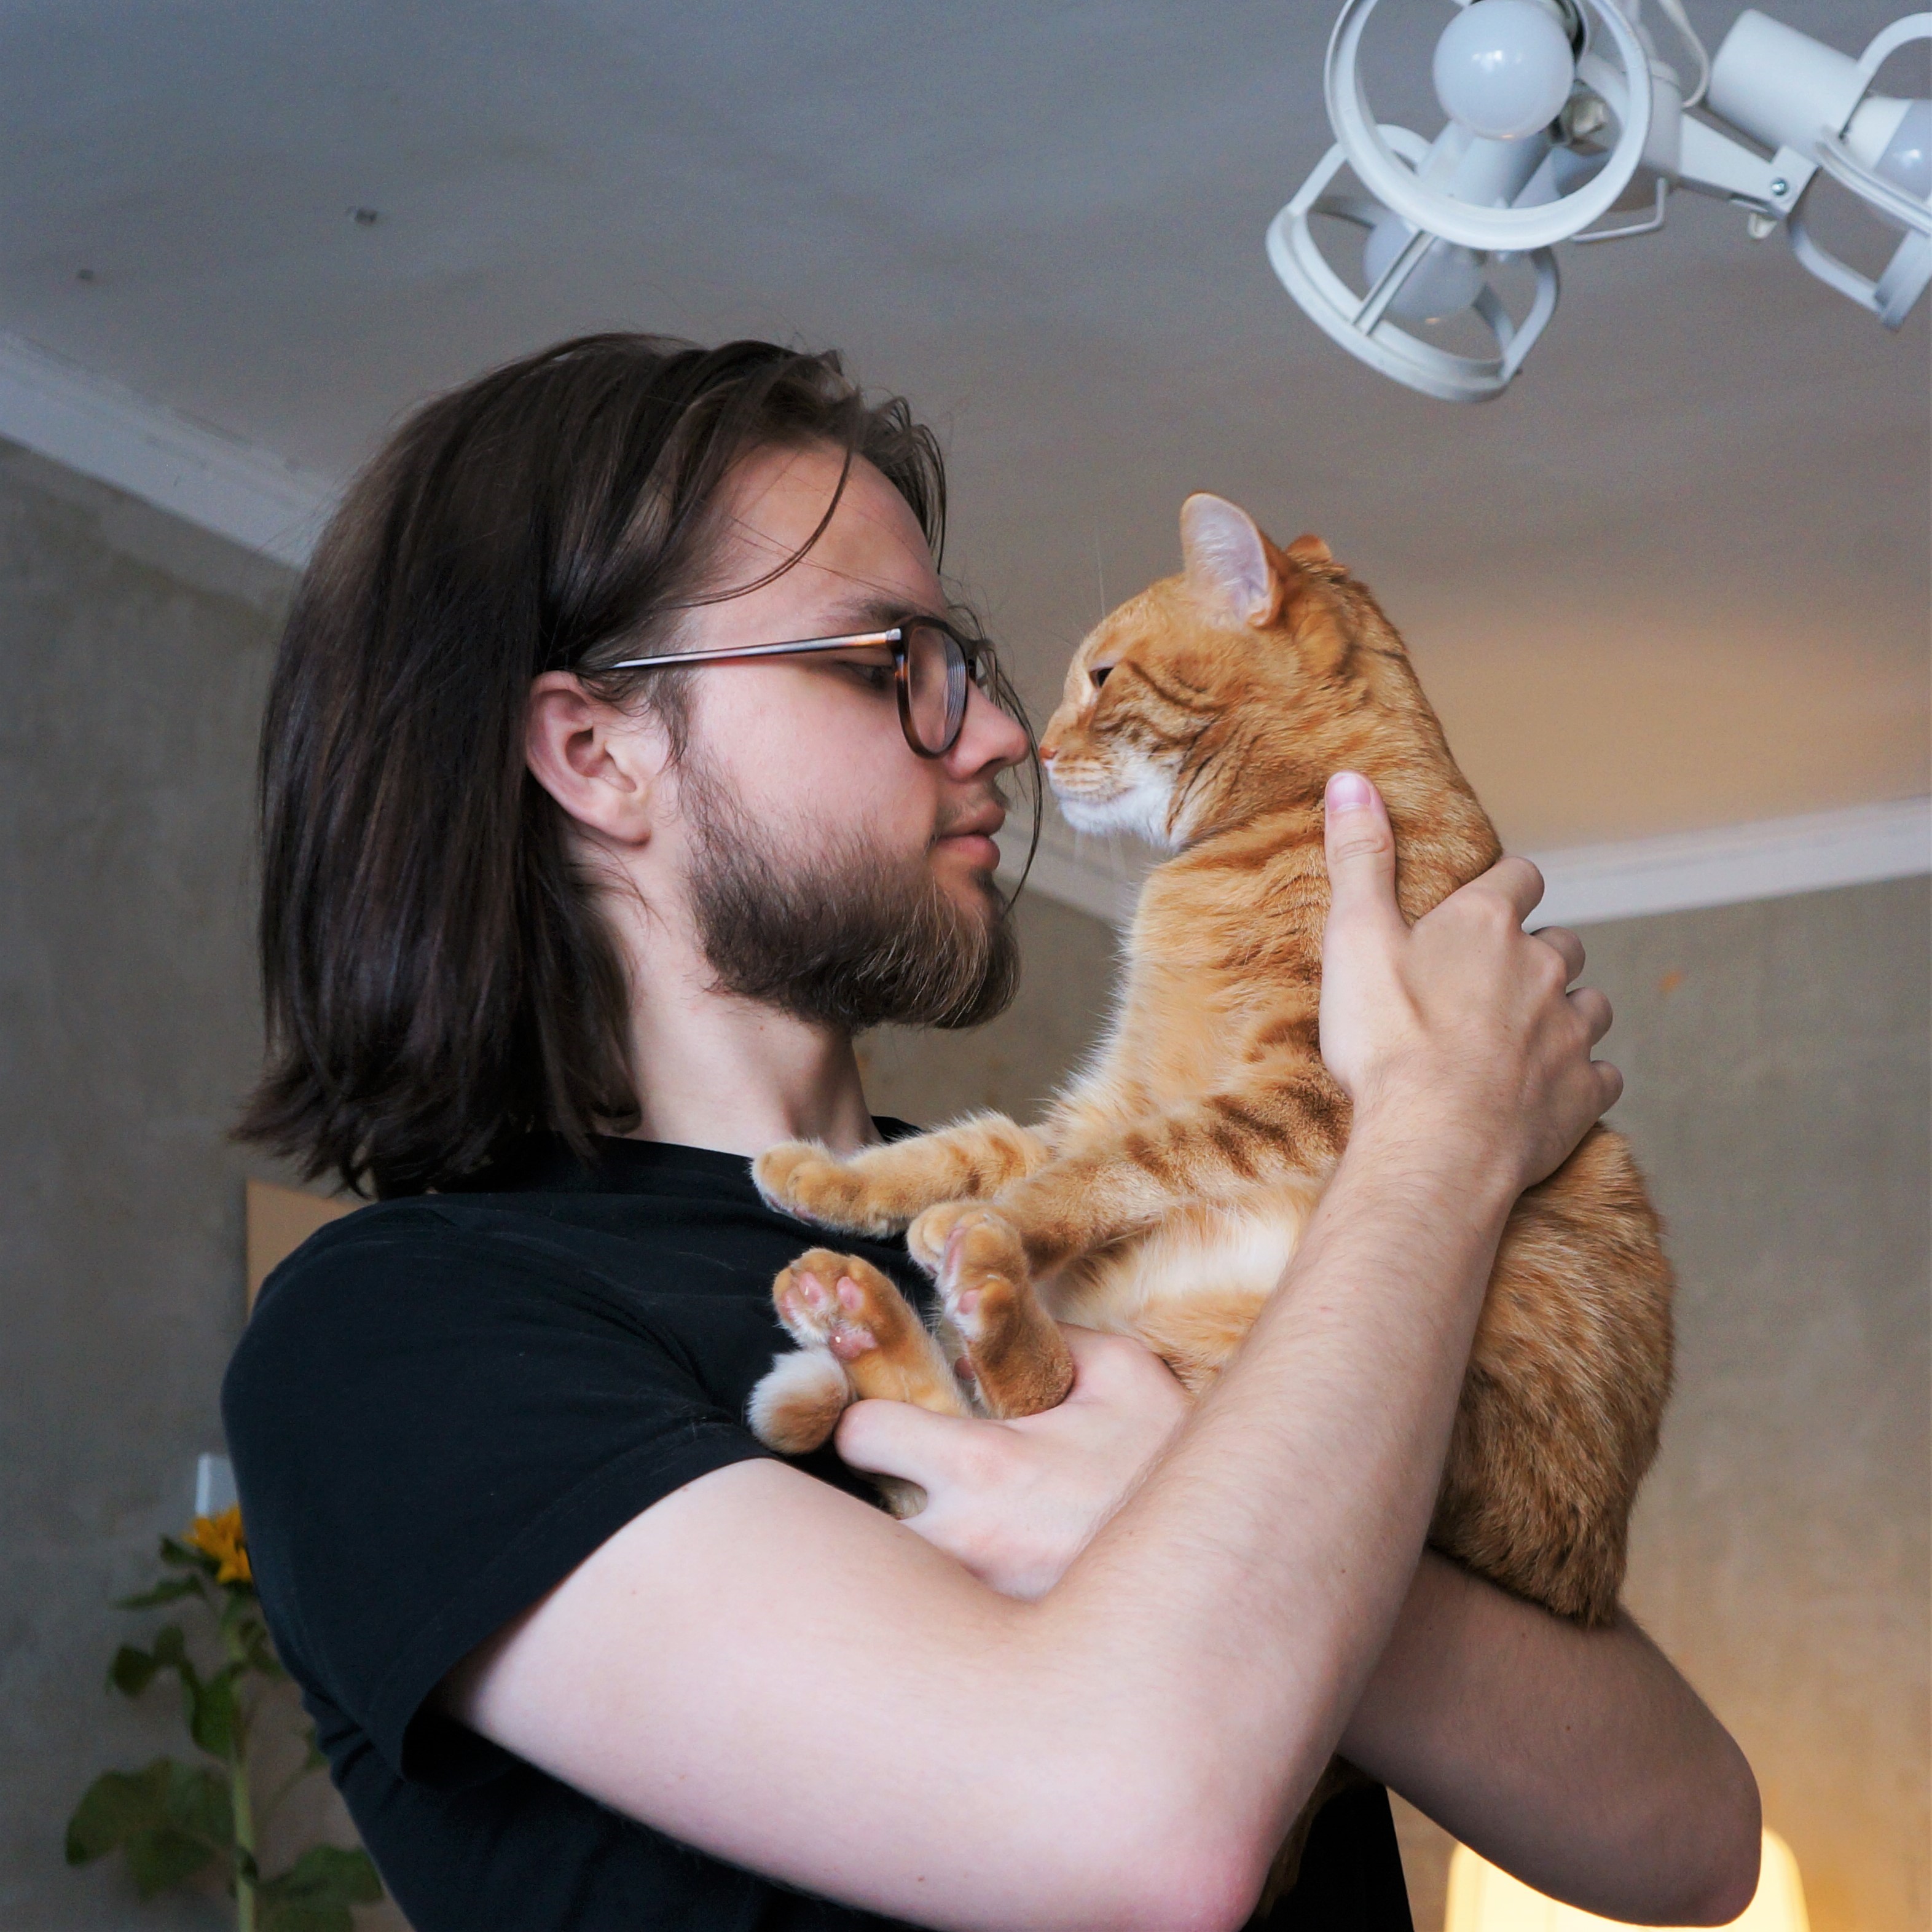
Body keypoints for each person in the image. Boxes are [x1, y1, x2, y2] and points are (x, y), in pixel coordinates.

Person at [222, 334, 1760, 1932]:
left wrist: (1207, 1509)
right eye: (887, 660)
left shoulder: (1055, 1222)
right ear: (600, 754)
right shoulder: (395, 1341)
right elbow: (1137, 1832)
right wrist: (1438, 1138)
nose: (1001, 736)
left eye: (960, 660)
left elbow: (1690, 1838)